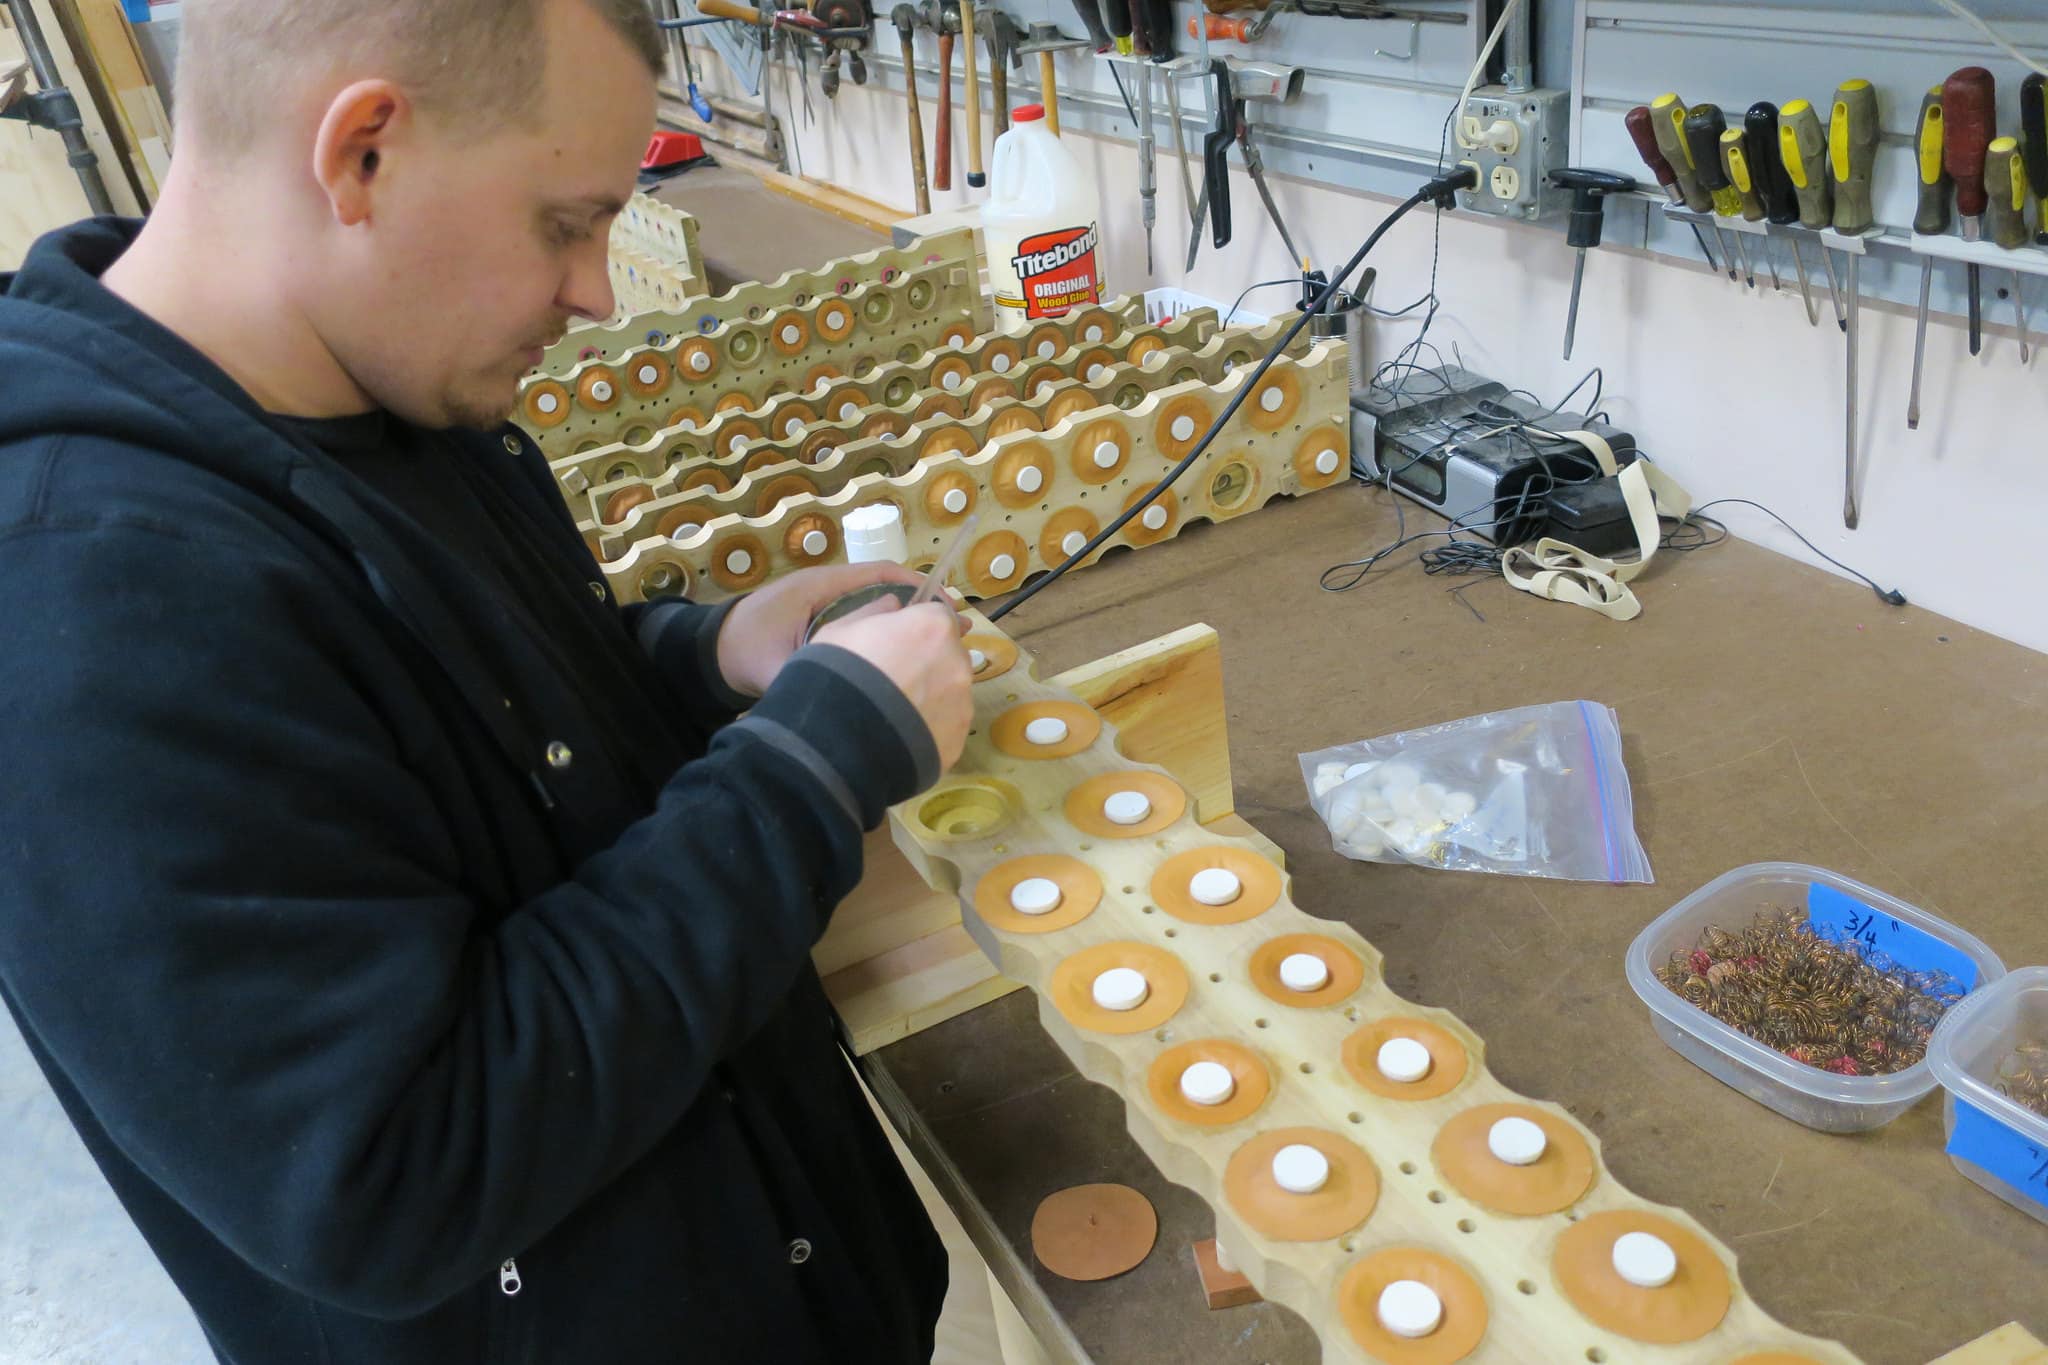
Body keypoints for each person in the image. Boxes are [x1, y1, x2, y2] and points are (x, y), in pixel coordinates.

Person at [0, 0, 976, 1360]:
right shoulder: (87, 597)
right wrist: (813, 767)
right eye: (565, 222)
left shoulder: (379, 383)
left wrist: (708, 659)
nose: (593, 290)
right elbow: (401, 1167)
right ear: (361, 157)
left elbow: (480, 747)